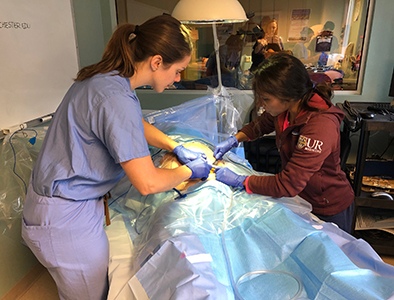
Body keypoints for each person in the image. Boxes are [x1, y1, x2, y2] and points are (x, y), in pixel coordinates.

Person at [21, 15, 213, 300]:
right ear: (157, 62)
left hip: (58, 207)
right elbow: (147, 183)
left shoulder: (108, 80)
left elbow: (134, 123)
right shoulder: (115, 97)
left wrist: (175, 146)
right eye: (178, 71)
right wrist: (190, 171)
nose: (177, 79)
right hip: (64, 220)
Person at [213, 53, 355, 234]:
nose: (260, 104)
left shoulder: (320, 125)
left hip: (327, 205)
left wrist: (242, 181)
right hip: (301, 198)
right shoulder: (286, 109)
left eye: (266, 99)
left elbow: (288, 184)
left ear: (288, 95)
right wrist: (234, 139)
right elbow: (260, 125)